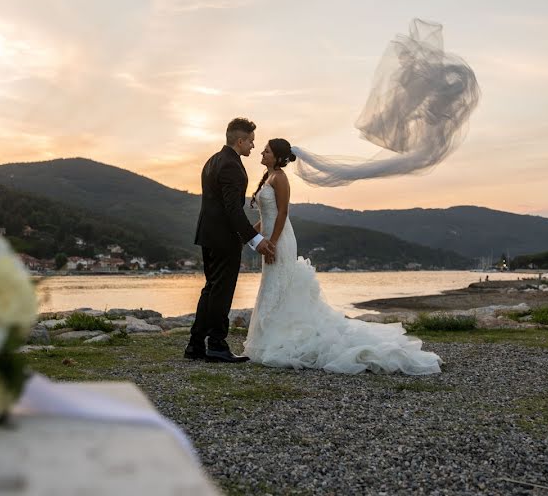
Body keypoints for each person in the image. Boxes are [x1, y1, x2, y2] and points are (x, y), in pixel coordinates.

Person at [242, 138, 442, 374]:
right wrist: (249, 234)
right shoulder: (268, 178)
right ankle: (269, 338)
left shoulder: (281, 178)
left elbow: (283, 212)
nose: (262, 154)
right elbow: (267, 216)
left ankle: (280, 339)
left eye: (266, 151)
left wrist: (272, 243)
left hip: (281, 240)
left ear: (277, 156)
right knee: (272, 285)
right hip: (269, 238)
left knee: (278, 284)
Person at [185, 118, 275, 363]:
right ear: (240, 140)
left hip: (207, 235)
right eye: (251, 142)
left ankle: (195, 345)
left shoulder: (212, 161)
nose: (253, 147)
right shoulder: (232, 166)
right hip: (224, 238)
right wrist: (255, 239)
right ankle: (216, 344)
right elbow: (232, 210)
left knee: (211, 289)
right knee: (222, 292)